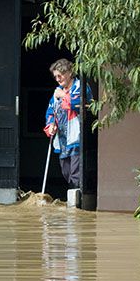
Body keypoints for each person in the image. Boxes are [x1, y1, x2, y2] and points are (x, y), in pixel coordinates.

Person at [44, 58, 92, 191]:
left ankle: (76, 203)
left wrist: (63, 95)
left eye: (60, 75)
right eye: (56, 77)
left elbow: (77, 104)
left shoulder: (80, 87)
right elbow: (51, 111)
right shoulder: (57, 92)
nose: (58, 79)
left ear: (70, 72)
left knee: (76, 174)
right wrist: (50, 126)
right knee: (66, 172)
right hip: (63, 139)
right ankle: (73, 194)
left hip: (77, 137)